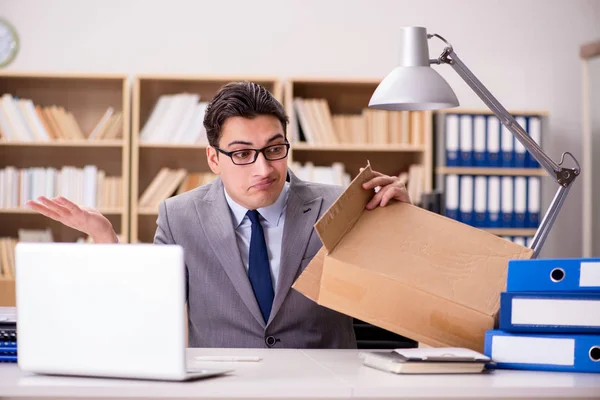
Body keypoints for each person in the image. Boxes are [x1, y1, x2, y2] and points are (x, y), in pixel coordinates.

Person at [26, 81, 411, 349]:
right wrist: (105, 238)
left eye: (274, 149)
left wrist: (406, 226)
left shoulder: (339, 205)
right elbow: (148, 310)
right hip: (221, 388)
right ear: (214, 158)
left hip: (323, 386)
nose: (264, 169)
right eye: (242, 154)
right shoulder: (179, 216)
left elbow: (400, 296)